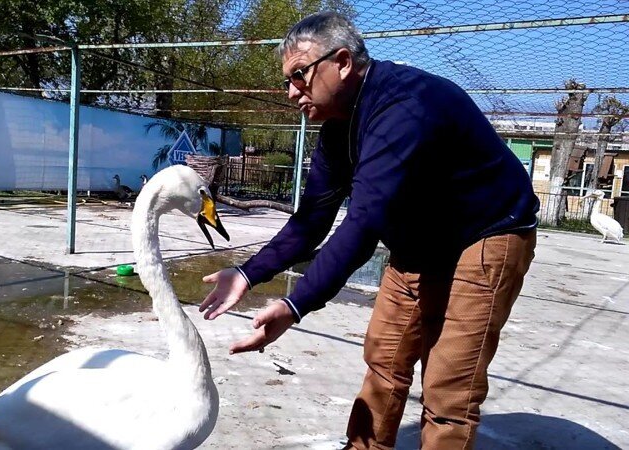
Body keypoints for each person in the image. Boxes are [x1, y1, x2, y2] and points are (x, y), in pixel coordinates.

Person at [199, 10, 539, 450]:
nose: (290, 92)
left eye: (298, 76)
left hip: (487, 233)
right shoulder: (338, 126)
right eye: (287, 81)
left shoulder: (404, 106)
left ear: (341, 61)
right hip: (418, 241)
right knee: (385, 359)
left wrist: (294, 305)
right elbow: (312, 220)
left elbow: (362, 224)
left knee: (449, 386)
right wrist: (247, 274)